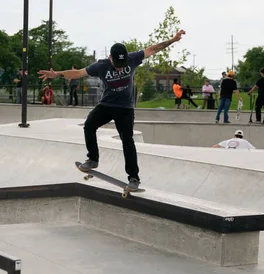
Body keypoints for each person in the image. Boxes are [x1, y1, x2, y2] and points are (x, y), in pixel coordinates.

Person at [39, 30, 186, 191]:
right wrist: (58, 74)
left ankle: (134, 178)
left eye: (122, 67)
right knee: (89, 125)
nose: (119, 69)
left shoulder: (132, 58)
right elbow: (78, 73)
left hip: (125, 109)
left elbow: (153, 49)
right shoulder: (101, 65)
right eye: (116, 66)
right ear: (110, 58)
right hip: (107, 105)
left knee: (127, 141)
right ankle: (93, 159)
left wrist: (173, 39)